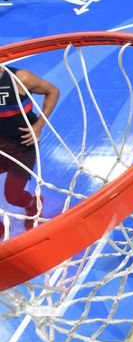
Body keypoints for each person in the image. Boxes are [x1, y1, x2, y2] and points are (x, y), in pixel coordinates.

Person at [0, 65, 59, 233]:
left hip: (22, 147)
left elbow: (53, 91)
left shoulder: (21, 78)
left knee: (12, 196)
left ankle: (32, 203)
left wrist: (39, 126)